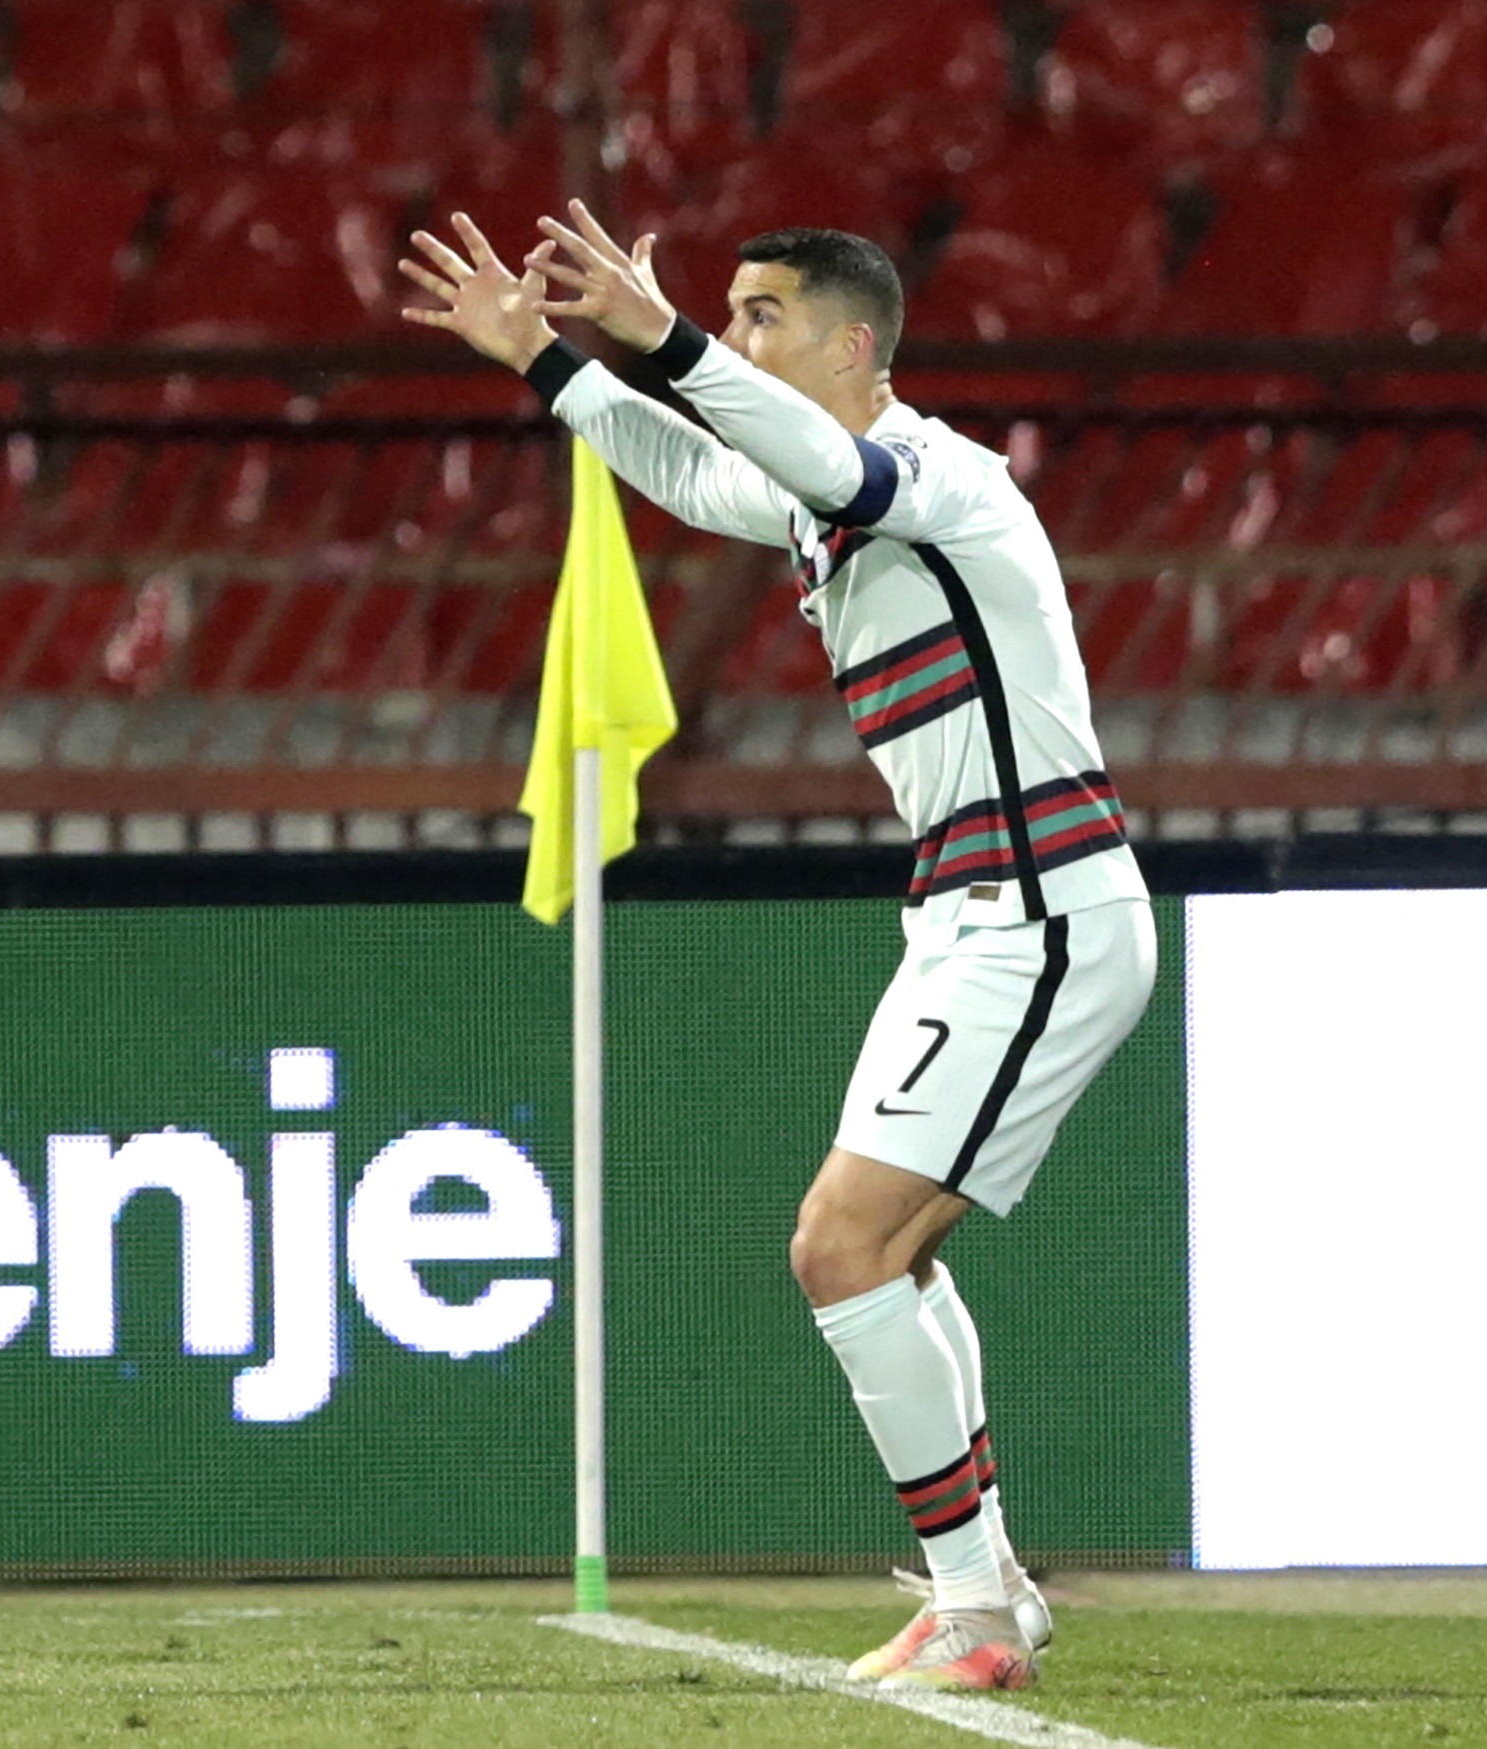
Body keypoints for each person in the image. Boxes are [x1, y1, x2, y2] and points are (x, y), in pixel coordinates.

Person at [400, 204, 1155, 1692]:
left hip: (1043, 908)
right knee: (891, 1256)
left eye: (761, 317)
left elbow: (816, 461)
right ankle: (985, 1580)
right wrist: (544, 357)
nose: (733, 339)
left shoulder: (938, 476)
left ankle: (976, 1611)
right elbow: (692, 467)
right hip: (966, 917)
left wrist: (658, 332)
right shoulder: (832, 499)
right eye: (728, 315)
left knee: (842, 1244)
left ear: (854, 346)